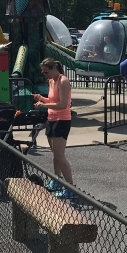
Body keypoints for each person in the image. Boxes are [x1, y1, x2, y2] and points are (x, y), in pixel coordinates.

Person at [32, 58, 74, 198]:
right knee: (55, 154)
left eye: (46, 72)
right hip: (51, 119)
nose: (45, 75)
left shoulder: (63, 81)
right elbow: (53, 100)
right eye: (43, 72)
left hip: (62, 120)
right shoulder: (51, 81)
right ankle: (57, 180)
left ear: (54, 68)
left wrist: (44, 105)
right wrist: (42, 99)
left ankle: (70, 188)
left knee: (60, 156)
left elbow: (62, 104)